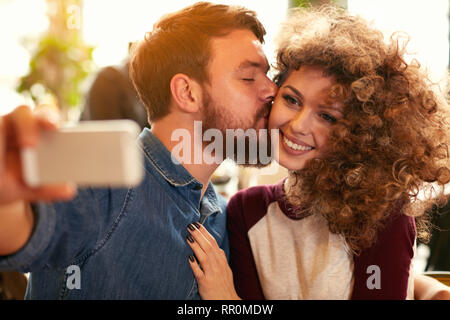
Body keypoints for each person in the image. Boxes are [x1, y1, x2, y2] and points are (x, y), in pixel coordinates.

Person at [0, 2, 276, 299]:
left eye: (267, 75)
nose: (272, 90)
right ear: (187, 93)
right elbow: (18, 230)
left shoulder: (225, 219)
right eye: (249, 77)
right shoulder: (104, 183)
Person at [186, 6, 450, 300]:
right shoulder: (246, 210)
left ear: (361, 132)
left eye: (327, 116)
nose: (298, 125)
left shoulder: (382, 215)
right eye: (291, 99)